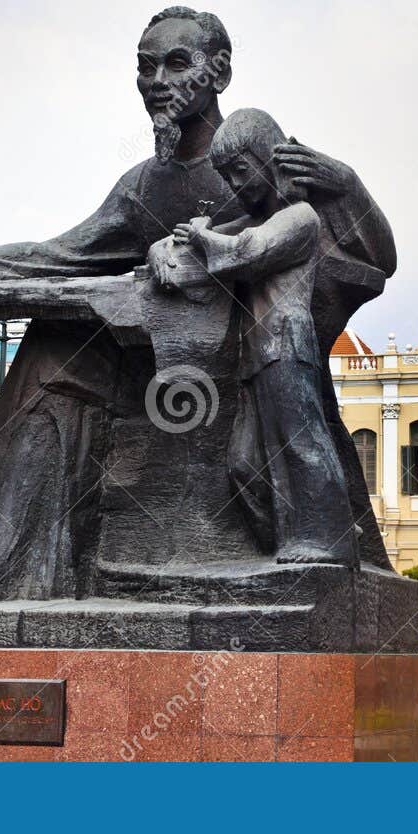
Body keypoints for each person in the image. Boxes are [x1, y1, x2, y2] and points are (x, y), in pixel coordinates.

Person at [0, 8, 397, 600]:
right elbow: (61, 253)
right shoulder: (144, 184)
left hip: (243, 365)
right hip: (148, 359)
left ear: (219, 72)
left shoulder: (263, 154)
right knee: (52, 346)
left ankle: (301, 546)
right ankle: (0, 560)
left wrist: (347, 184)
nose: (157, 80)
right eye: (145, 67)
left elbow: (369, 256)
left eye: (176, 63)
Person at [167, 109, 356, 566]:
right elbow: (193, 243)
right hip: (255, 354)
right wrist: (175, 244)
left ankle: (328, 541)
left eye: (240, 172)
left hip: (287, 345)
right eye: (228, 177)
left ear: (268, 160)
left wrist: (199, 235)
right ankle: (289, 538)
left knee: (302, 443)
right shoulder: (256, 220)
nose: (235, 186)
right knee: (244, 463)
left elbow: (246, 253)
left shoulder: (300, 218)